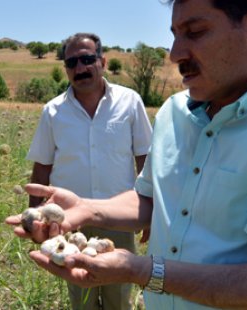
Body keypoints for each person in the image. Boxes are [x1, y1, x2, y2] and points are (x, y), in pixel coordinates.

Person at [7, 0, 247, 309]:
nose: (175, 53)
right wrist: (88, 208)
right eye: (175, 34)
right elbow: (152, 199)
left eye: (194, 32)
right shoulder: (174, 112)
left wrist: (142, 271)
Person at [26, 32, 153, 310]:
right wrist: (35, 220)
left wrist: (149, 212)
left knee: (119, 297)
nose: (80, 68)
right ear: (66, 69)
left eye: (87, 59)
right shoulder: (53, 111)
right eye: (72, 63)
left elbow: (145, 159)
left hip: (119, 219)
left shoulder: (129, 102)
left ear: (102, 61)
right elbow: (41, 170)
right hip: (71, 222)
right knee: (80, 298)